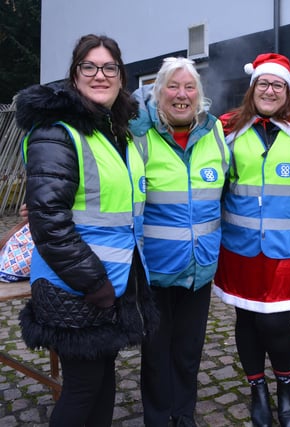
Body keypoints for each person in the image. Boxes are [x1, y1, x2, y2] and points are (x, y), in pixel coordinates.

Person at [14, 34, 157, 427]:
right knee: (81, 389)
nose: (100, 75)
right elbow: (49, 222)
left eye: (109, 67)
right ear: (75, 74)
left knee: (101, 381)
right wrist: (94, 283)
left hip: (109, 284)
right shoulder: (57, 131)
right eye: (89, 67)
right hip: (76, 284)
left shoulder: (114, 132)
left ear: (121, 76)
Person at [213, 53, 290, 427]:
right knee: (246, 320)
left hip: (285, 250)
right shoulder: (228, 131)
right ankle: (258, 390)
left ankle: (286, 386)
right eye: (263, 84)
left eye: (277, 85)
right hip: (239, 247)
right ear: (253, 89)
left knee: (276, 324)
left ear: (288, 92)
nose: (269, 90)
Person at [129, 57, 230, 427]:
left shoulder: (214, 133)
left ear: (199, 96)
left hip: (199, 268)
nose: (181, 95)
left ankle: (183, 414)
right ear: (158, 93)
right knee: (156, 352)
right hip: (155, 269)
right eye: (173, 87)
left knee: (189, 351)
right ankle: (157, 417)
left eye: (189, 87)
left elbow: (229, 191)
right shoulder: (139, 134)